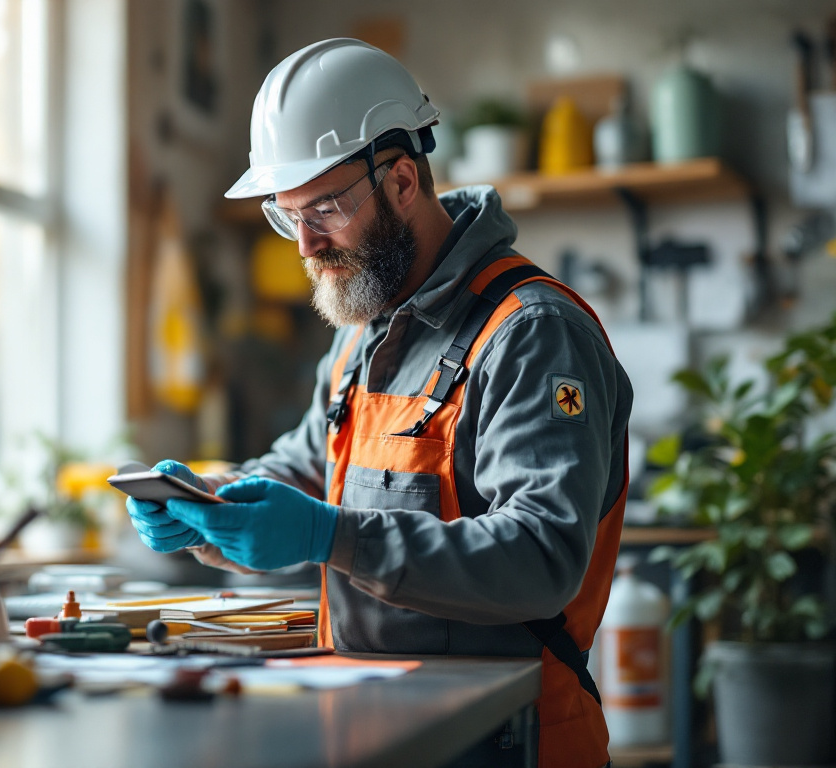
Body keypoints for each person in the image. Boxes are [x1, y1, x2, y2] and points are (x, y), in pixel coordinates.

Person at [126, 38, 632, 768]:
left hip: (511, 741)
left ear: (401, 181)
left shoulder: (530, 331)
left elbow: (541, 556)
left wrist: (332, 538)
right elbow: (305, 472)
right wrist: (206, 506)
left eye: (324, 208)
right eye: (285, 214)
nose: (304, 243)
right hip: (375, 728)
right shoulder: (362, 332)